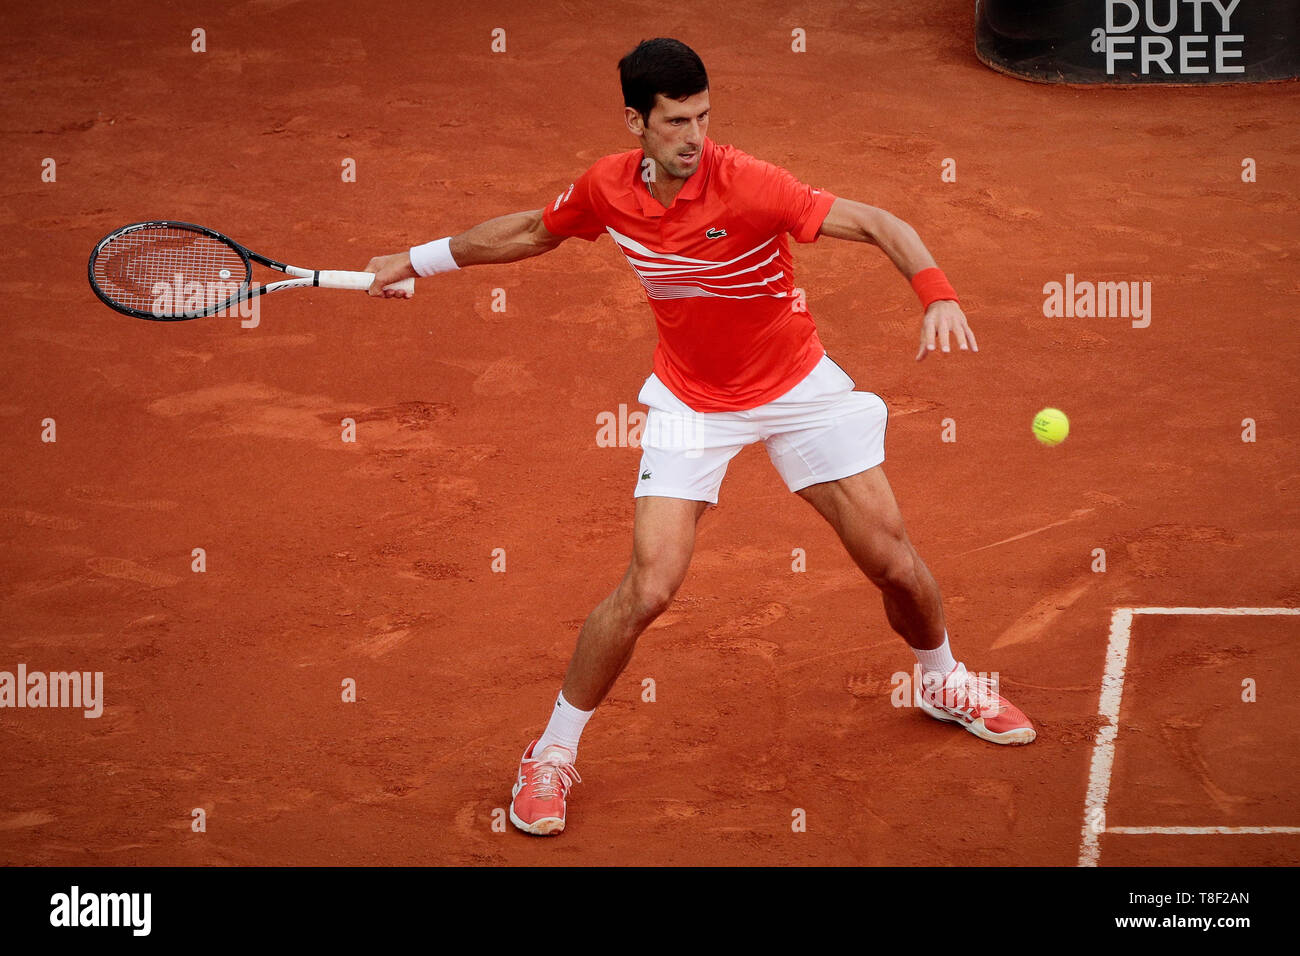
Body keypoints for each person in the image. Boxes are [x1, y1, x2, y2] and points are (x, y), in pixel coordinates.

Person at [364, 37, 1036, 837]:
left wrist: (937, 294)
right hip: (692, 404)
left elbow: (879, 221)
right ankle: (550, 753)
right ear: (635, 123)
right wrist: (413, 259)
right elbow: (526, 233)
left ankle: (942, 679)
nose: (694, 136)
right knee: (649, 586)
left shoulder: (750, 184)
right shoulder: (606, 190)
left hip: (797, 390)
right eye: (676, 120)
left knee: (892, 559)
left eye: (704, 117)